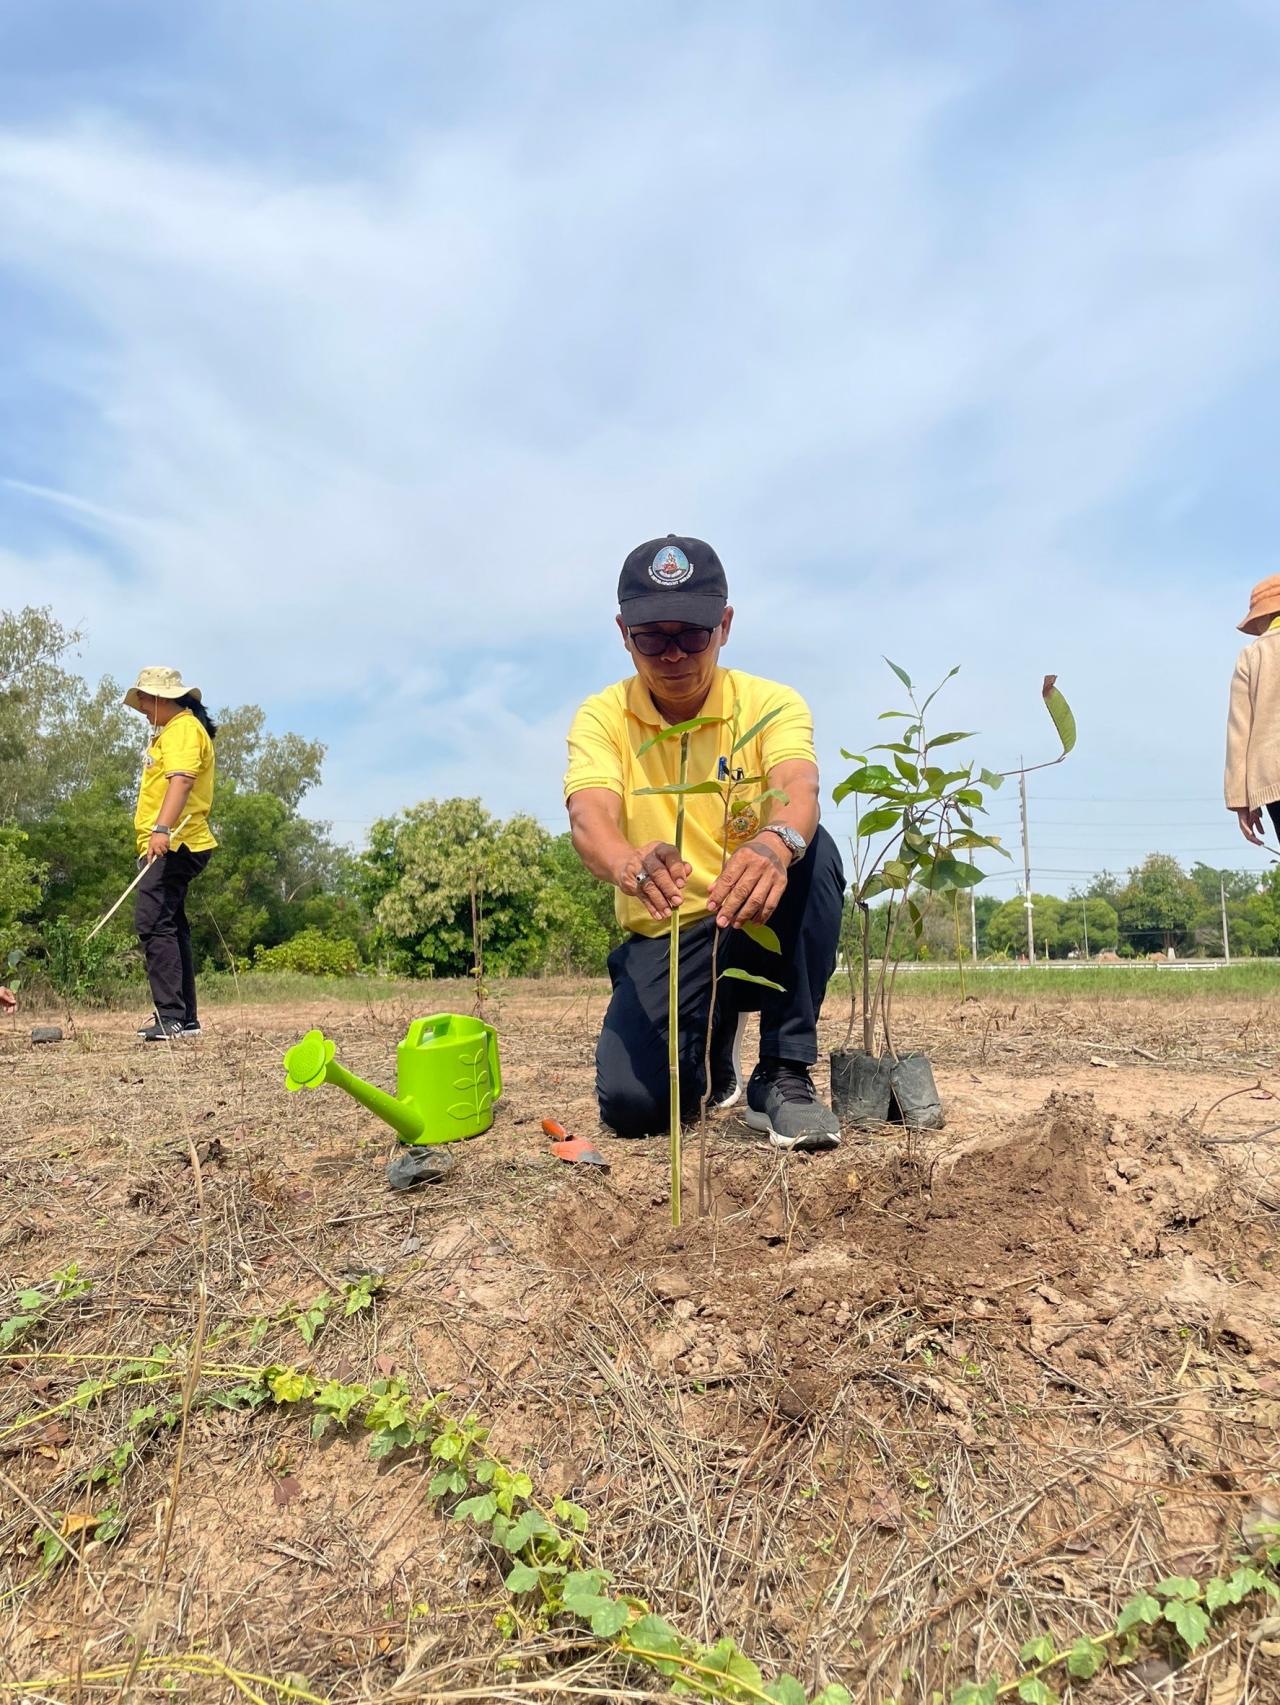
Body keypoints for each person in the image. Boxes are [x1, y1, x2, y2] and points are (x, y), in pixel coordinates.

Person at [564, 534, 845, 1151]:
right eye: (651, 637)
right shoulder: (603, 717)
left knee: (813, 847)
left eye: (692, 634)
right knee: (638, 1110)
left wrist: (775, 843)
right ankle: (710, 1045)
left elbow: (799, 787)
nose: (673, 655)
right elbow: (590, 817)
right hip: (667, 933)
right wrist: (627, 862)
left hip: (754, 911)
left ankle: (783, 1072)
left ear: (724, 624)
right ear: (622, 633)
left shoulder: (771, 705)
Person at [123, 666, 218, 1041]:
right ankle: (185, 1018)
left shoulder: (181, 729)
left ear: (162, 698)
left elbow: (181, 781)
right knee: (171, 923)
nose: (142, 708)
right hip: (175, 841)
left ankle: (171, 1016)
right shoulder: (175, 730)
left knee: (152, 921)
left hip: (175, 842)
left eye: (144, 700)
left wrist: (160, 830)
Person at [1226, 575, 1280, 849]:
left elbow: (1239, 732)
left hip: (1273, 777)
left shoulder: (1251, 656)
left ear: (1264, 617)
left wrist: (1240, 801)